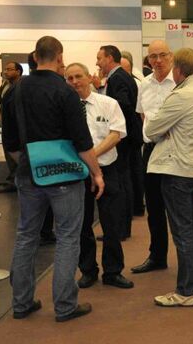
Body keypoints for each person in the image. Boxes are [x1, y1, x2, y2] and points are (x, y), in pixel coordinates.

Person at [4, 36, 104, 322]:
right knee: (68, 237)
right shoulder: (65, 92)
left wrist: (27, 162)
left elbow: (10, 140)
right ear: (60, 57)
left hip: (28, 173)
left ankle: (21, 303)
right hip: (65, 175)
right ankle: (65, 305)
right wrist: (96, 172)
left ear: (35, 57)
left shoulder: (15, 90)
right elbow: (82, 141)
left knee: (26, 236)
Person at [145, 48, 193, 307]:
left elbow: (151, 129)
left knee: (183, 231)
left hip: (178, 170)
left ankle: (185, 291)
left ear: (179, 70)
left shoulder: (181, 95)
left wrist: (167, 129)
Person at [64, 63, 134, 290]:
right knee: (82, 224)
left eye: (78, 76)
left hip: (107, 169)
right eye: (70, 78)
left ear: (89, 77)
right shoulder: (63, 108)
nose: (75, 82)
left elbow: (116, 134)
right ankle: (88, 270)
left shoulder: (108, 103)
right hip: (78, 173)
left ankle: (113, 271)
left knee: (111, 223)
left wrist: (91, 156)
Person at [131, 40, 176, 274]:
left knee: (177, 208)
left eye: (162, 55)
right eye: (153, 57)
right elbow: (142, 115)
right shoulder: (144, 84)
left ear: (171, 56)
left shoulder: (180, 83)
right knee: (154, 207)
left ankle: (188, 260)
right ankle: (157, 256)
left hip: (175, 150)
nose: (158, 61)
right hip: (150, 151)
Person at [97, 45, 142, 239]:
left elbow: (123, 105)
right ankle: (121, 227)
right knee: (125, 180)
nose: (97, 63)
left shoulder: (118, 78)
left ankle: (120, 229)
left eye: (99, 58)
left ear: (109, 58)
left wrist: (111, 121)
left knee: (122, 182)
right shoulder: (120, 76)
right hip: (127, 136)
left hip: (123, 138)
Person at [120, 50, 146, 217]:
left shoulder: (136, 83)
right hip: (131, 132)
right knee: (133, 169)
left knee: (134, 169)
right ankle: (135, 204)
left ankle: (136, 205)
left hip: (133, 133)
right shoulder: (135, 82)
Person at [0, 61, 24, 193]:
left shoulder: (23, 86)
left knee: (17, 153)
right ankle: (13, 180)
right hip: (7, 126)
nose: (6, 72)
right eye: (5, 69)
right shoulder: (4, 86)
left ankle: (19, 181)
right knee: (8, 153)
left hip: (18, 127)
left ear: (18, 71)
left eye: (10, 69)